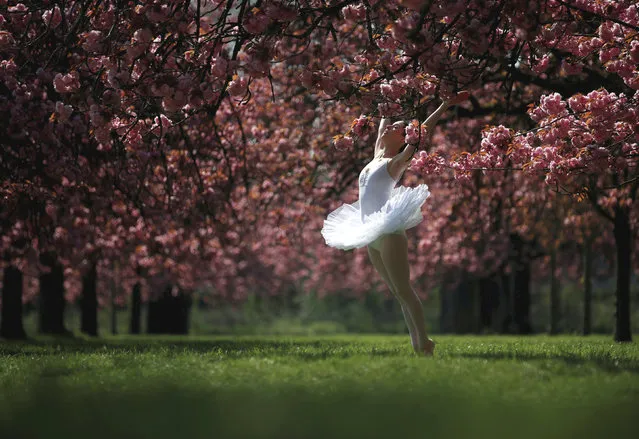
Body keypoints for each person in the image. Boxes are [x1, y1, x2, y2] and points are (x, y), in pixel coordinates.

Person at [321, 91, 470, 356]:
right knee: (397, 291)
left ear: (403, 138)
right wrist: (387, 89)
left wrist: (445, 104)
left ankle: (424, 341)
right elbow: (384, 117)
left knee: (404, 288)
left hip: (388, 232)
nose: (390, 126)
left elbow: (422, 132)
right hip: (370, 232)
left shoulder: (396, 162)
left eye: (398, 128)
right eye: (391, 125)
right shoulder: (377, 152)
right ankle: (419, 344)